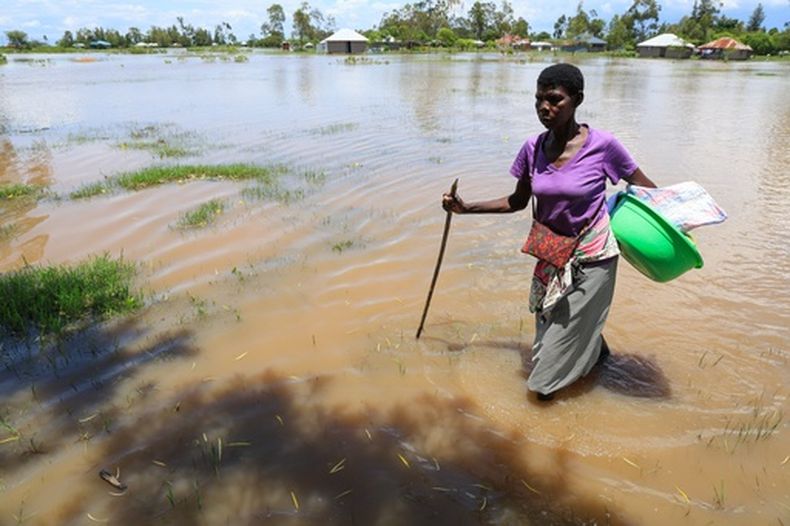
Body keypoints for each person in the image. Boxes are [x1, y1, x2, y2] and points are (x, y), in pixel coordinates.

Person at [442, 63, 656, 401]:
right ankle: (596, 353)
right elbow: (516, 201)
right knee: (551, 330)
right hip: (552, 253)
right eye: (539, 99)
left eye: (555, 99)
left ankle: (552, 386)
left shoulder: (604, 145)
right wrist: (464, 208)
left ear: (577, 100)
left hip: (594, 255)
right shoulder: (532, 149)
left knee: (541, 379)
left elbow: (647, 190)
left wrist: (673, 226)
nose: (545, 107)